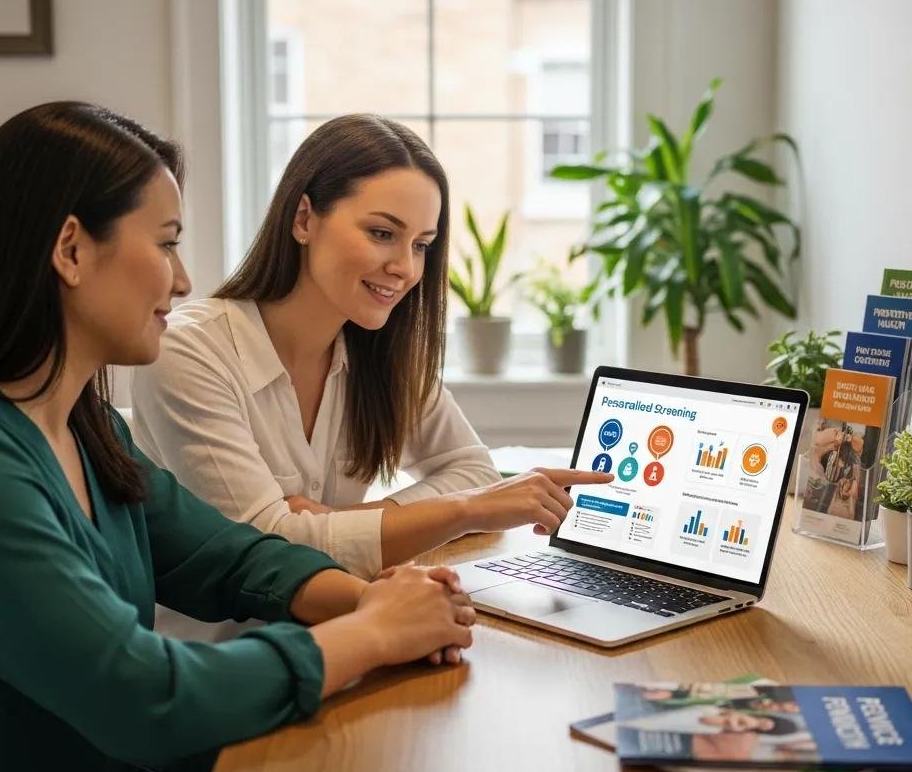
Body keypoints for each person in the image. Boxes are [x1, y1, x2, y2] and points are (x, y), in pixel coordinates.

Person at [0, 103, 476, 772]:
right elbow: (144, 696)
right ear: (70, 250)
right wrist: (375, 634)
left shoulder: (92, 434)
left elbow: (225, 556)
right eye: (166, 243)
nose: (185, 279)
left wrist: (375, 602)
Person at [130, 113, 610, 640]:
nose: (405, 267)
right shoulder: (189, 349)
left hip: (346, 637)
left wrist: (351, 519)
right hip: (218, 664)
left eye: (422, 244)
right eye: (382, 233)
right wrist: (463, 511)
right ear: (304, 219)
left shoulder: (381, 346)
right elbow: (267, 548)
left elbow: (468, 466)